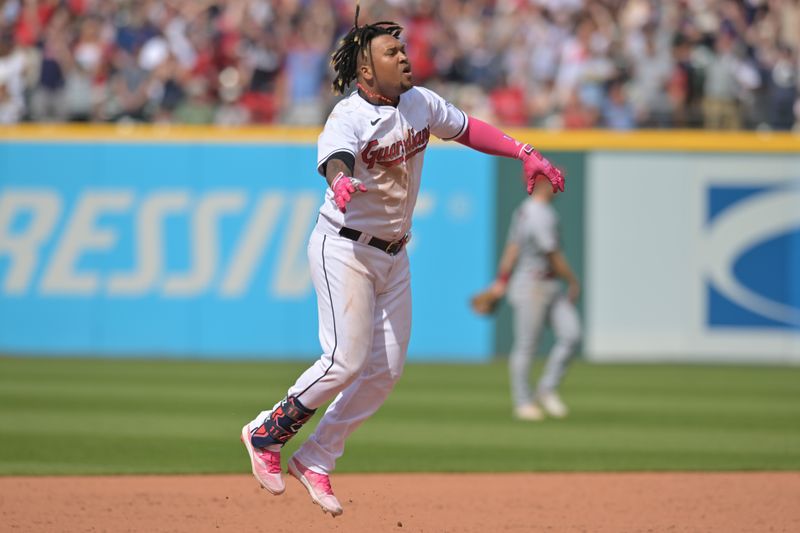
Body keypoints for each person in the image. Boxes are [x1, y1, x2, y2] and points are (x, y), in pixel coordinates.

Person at [240, 6, 565, 517]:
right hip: (343, 247)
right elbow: (335, 156)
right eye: (392, 52)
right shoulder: (348, 114)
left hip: (394, 253)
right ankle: (266, 433)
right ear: (367, 70)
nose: (404, 57)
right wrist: (340, 180)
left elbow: (468, 129)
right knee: (345, 360)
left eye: (403, 49)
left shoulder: (419, 103)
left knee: (385, 369)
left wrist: (523, 152)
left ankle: (318, 457)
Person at [481, 177, 581, 421]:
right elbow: (552, 253)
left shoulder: (524, 210)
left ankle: (546, 389)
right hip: (532, 284)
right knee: (527, 345)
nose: (560, 186)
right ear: (544, 185)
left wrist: (502, 282)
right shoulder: (539, 213)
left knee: (572, 334)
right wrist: (573, 280)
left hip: (547, 283)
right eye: (556, 181)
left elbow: (512, 248)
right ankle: (523, 401)